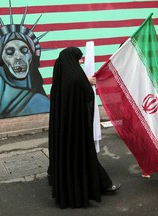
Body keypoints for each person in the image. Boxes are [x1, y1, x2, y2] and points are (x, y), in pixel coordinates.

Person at [48, 47, 120, 209]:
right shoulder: (76, 78)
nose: (81, 61)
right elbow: (87, 96)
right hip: (76, 129)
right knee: (82, 158)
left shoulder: (60, 78)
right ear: (73, 59)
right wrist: (88, 83)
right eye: (79, 58)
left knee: (67, 159)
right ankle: (90, 190)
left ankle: (97, 185)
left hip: (63, 130)